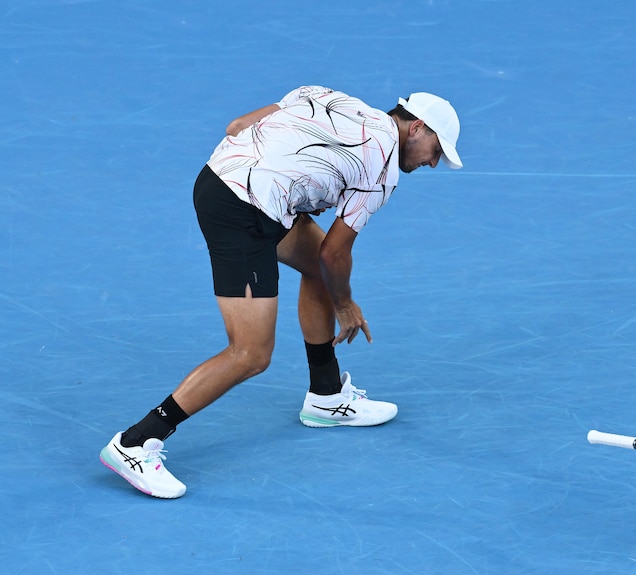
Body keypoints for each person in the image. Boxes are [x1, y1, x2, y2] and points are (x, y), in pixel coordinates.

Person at [99, 85, 462, 498]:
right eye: (437, 150)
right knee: (250, 354)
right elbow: (334, 254)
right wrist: (344, 304)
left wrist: (296, 179)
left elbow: (237, 127)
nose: (433, 163)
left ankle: (326, 396)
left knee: (315, 269)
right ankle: (135, 442)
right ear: (416, 128)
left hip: (216, 181)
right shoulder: (382, 170)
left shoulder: (331, 96)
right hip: (244, 213)